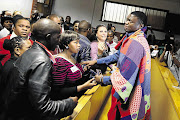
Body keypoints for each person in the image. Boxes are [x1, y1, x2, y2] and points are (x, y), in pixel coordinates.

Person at [1, 19, 78, 120]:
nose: (59, 40)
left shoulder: (31, 50)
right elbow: (43, 107)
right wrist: (70, 103)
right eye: (58, 37)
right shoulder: (42, 61)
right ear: (48, 37)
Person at [82, 11, 151, 120]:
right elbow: (118, 55)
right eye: (127, 19)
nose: (126, 23)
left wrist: (103, 80)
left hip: (129, 92)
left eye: (130, 21)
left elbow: (125, 76)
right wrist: (96, 61)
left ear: (141, 25)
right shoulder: (132, 38)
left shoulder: (136, 43)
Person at [51, 30, 96, 100]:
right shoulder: (60, 63)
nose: (79, 45)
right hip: (67, 101)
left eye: (79, 42)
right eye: (76, 42)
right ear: (66, 44)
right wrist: (82, 87)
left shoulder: (72, 58)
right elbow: (58, 91)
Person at [0, 37, 32, 118]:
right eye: (29, 48)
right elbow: (12, 96)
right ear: (17, 50)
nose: (32, 51)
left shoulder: (12, 63)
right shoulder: (17, 68)